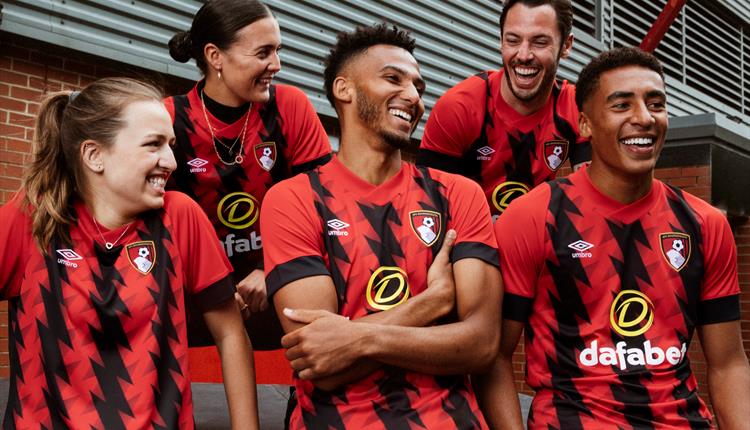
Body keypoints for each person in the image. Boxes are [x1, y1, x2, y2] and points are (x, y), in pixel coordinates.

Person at [488, 47, 750, 429]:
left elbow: (728, 363)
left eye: (656, 104)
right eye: (621, 105)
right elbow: (494, 357)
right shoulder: (531, 216)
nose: (644, 118)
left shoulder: (705, 224)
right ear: (585, 125)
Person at [260, 24, 502, 428]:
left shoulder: (458, 194)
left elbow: (480, 345)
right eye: (393, 78)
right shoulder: (294, 199)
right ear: (344, 89)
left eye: (418, 86)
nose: (413, 96)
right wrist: (433, 304)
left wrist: (357, 338)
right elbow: (321, 361)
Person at [0, 78, 258, 429]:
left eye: (171, 145)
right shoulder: (30, 218)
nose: (170, 161)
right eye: (153, 145)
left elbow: (230, 334)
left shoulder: (179, 216)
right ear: (94, 155)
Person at [166, 0, 332, 349]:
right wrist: (214, 287)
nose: (277, 64)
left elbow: (325, 205)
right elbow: (153, 220)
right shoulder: (169, 117)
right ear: (215, 56)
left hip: (280, 283)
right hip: (198, 293)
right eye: (263, 53)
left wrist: (272, 267)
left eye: (278, 51)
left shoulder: (290, 107)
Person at [417, 0, 590, 219]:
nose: (524, 55)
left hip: (536, 237)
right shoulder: (459, 107)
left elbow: (594, 202)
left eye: (539, 42)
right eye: (513, 40)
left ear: (566, 45)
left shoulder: (578, 107)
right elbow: (428, 210)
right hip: (467, 238)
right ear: (501, 42)